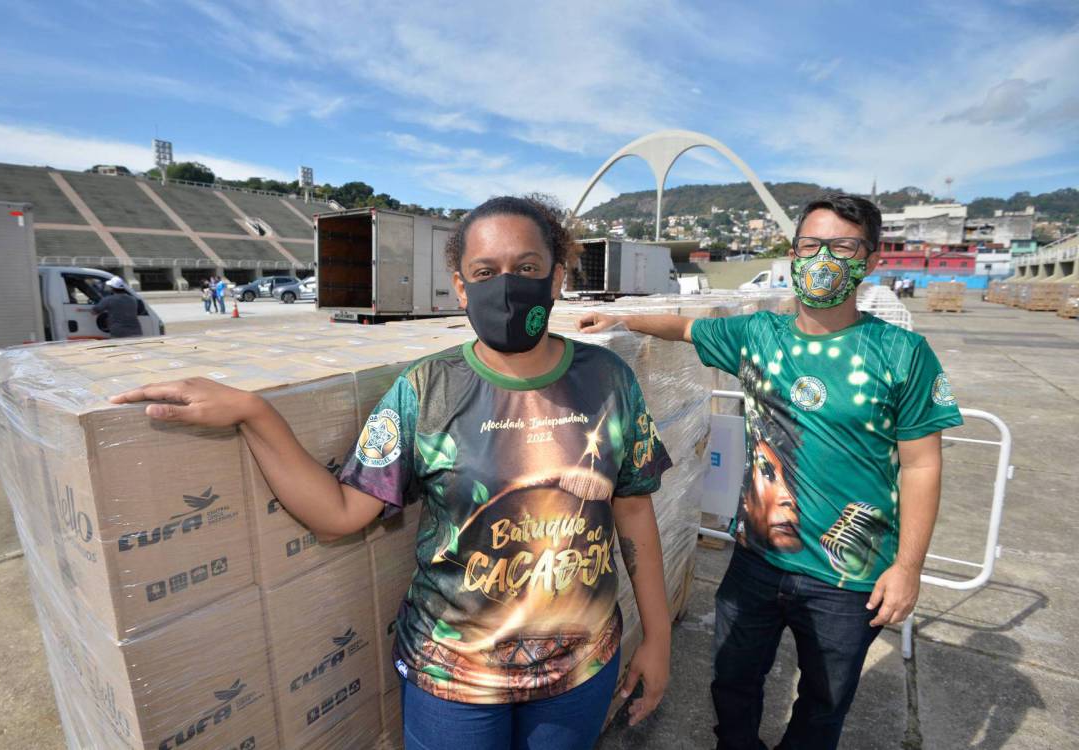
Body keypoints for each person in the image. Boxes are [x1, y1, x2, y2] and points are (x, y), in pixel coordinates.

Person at [111, 196, 674, 750]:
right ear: (460, 286)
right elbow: (339, 515)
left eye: (527, 268)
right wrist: (255, 415)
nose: (507, 284)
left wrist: (659, 637)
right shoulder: (425, 390)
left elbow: (632, 509)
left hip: (580, 670)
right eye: (486, 271)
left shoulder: (608, 380)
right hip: (453, 679)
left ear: (556, 278)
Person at [577, 192, 962, 750]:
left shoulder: (902, 353)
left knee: (824, 705)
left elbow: (922, 464)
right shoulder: (760, 336)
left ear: (872, 260)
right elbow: (684, 329)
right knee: (732, 681)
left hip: (848, 577)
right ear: (792, 252)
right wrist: (620, 318)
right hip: (756, 561)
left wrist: (908, 567)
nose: (823, 259)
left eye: (842, 247)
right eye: (811, 245)